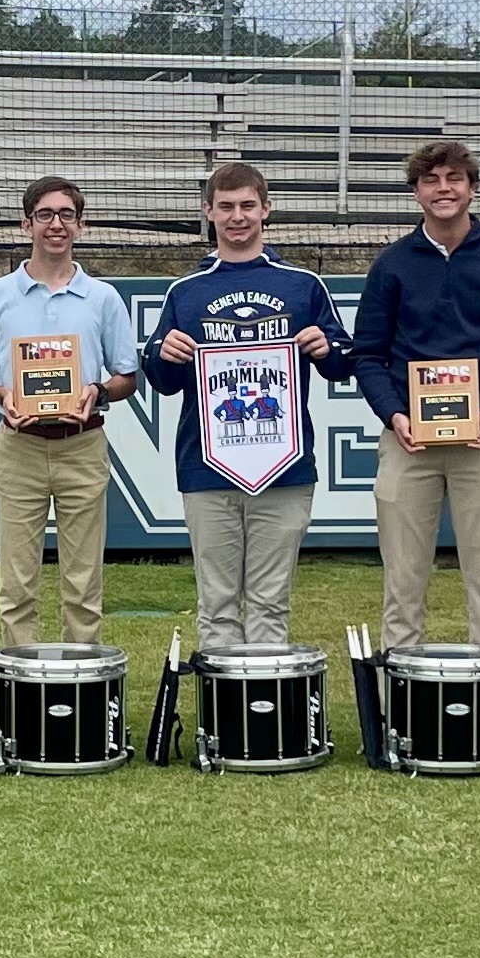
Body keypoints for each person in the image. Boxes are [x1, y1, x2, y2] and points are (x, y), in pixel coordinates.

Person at [352, 138, 480, 657]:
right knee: (402, 587)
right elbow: (368, 355)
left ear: (472, 188)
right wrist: (394, 414)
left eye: (454, 179)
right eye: (431, 180)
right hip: (407, 443)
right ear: (416, 192)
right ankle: (400, 723)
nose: (444, 189)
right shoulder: (391, 265)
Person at [148, 160, 354, 650]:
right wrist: (164, 354)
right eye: (226, 207)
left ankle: (262, 716)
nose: (237, 216)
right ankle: (225, 721)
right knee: (216, 603)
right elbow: (161, 379)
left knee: (269, 601)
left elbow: (345, 363)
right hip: (206, 466)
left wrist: (327, 348)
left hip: (283, 466)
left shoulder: (302, 285)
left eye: (247, 206)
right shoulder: (186, 291)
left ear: (266, 209)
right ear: (208, 212)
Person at [0, 175, 142, 645]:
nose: (55, 224)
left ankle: (84, 687)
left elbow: (127, 378)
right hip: (19, 447)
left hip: (83, 445)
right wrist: (3, 395)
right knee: (17, 585)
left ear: (81, 226)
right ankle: (23, 689)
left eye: (66, 215)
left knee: (83, 585)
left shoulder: (103, 298)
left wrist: (95, 392)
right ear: (27, 224)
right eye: (45, 215)